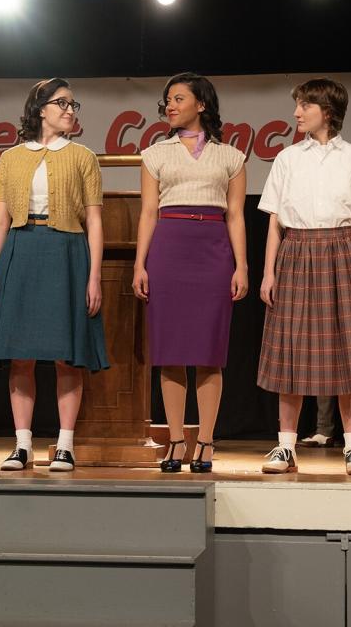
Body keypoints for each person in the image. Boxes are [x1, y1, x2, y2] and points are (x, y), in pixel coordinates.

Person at [0, 78, 109, 472]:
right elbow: (0, 220)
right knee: (20, 356)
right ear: (39, 109)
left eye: (73, 104)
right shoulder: (11, 158)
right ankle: (22, 445)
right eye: (62, 103)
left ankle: (65, 445)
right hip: (21, 250)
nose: (70, 110)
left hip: (66, 251)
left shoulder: (83, 157)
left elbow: (95, 221)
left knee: (68, 356)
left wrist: (94, 276)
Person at [257, 77, 351, 476]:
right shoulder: (287, 158)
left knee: (347, 353)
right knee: (290, 352)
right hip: (296, 252)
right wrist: (268, 273)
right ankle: (285, 446)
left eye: (304, 106)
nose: (297, 112)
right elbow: (275, 222)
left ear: (326, 111)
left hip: (342, 251)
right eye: (297, 105)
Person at [133, 73, 248, 473]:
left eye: (178, 98)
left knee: (209, 353)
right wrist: (140, 263)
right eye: (167, 99)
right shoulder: (155, 154)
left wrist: (241, 265)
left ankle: (207, 442)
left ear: (201, 104)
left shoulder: (230, 156)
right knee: (171, 353)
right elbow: (148, 212)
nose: (170, 105)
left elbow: (235, 216)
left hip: (213, 249)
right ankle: (176, 441)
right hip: (169, 247)